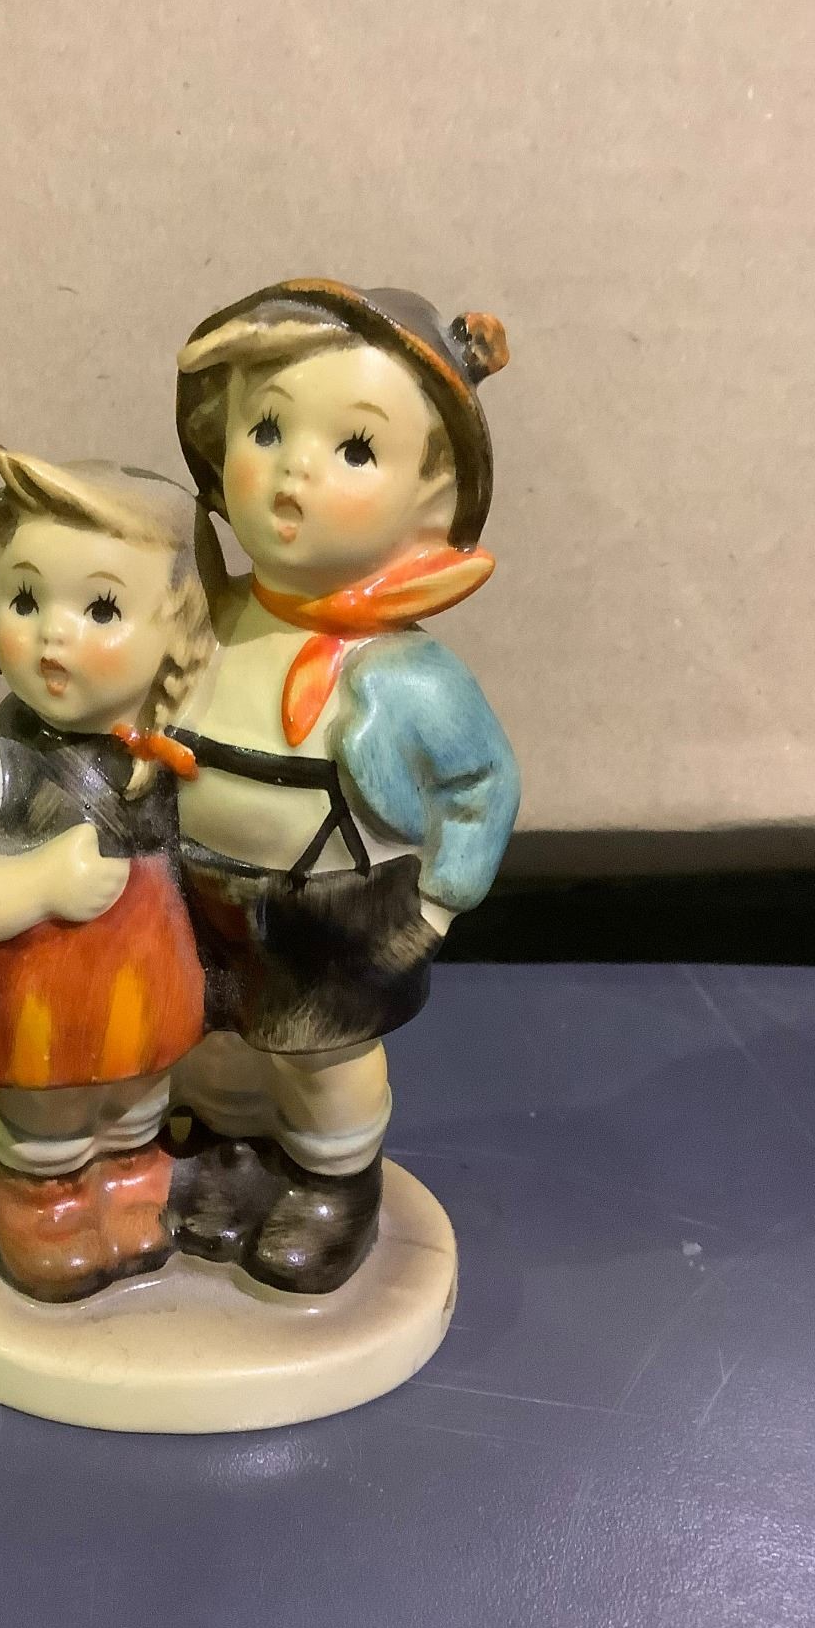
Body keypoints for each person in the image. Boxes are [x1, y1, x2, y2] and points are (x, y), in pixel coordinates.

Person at [167, 279, 521, 1292]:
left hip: (336, 900)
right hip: (196, 883)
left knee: (322, 1059)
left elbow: (482, 786)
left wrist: (437, 907)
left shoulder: (408, 676)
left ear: (432, 501)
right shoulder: (198, 616)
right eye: (266, 429)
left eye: (356, 448)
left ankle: (333, 1182)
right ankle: (232, 1152)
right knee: (214, 1040)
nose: (295, 471)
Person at [0, 448, 220, 1300]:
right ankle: (46, 1209)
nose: (54, 634)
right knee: (48, 1111)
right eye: (25, 600)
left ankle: (131, 1185)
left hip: (147, 965)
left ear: (178, 630)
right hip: (41, 983)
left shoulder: (176, 749)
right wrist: (40, 886)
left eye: (101, 607)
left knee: (137, 1098)